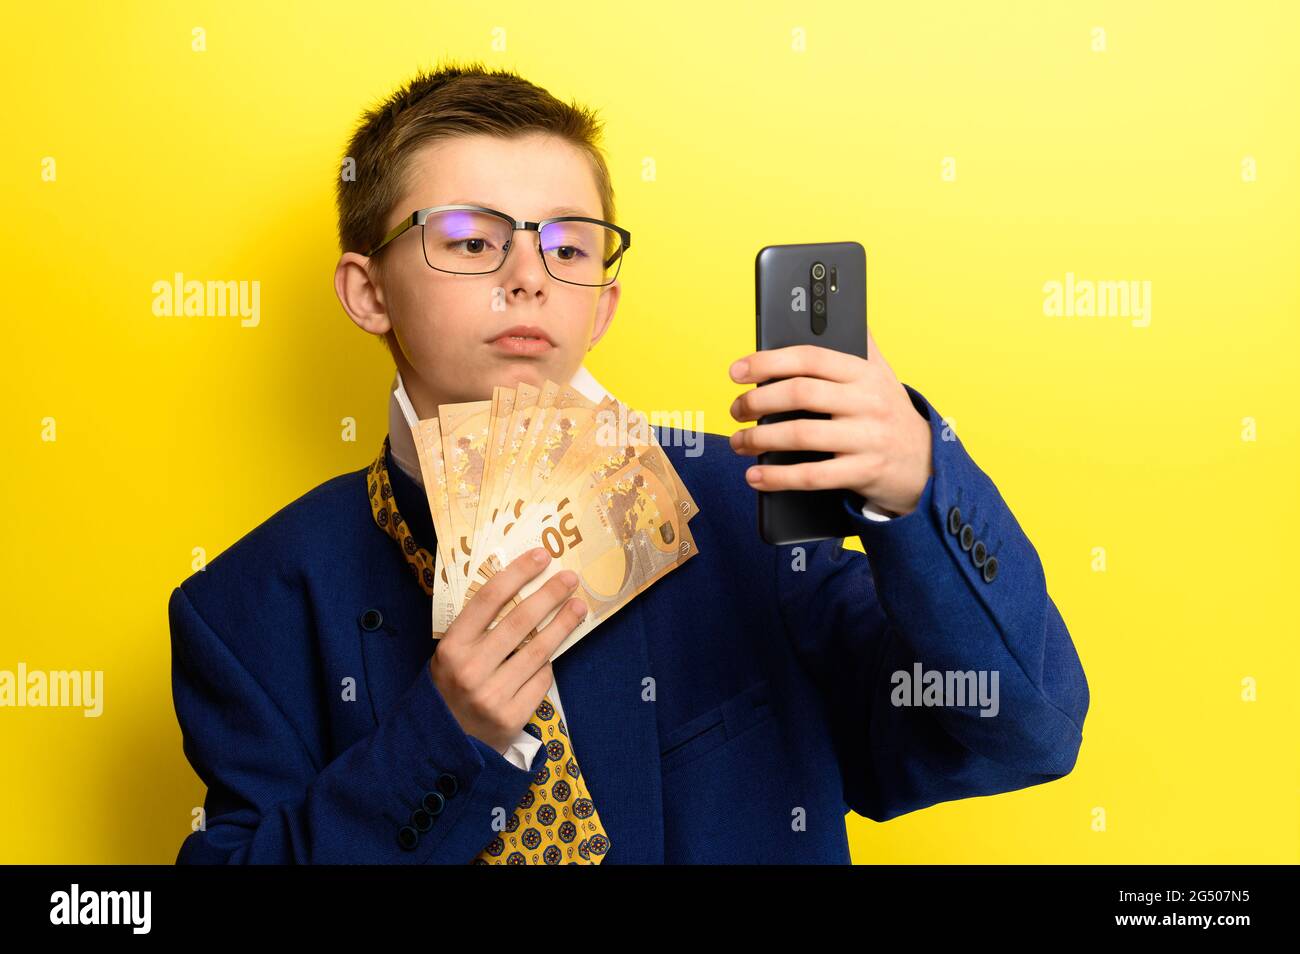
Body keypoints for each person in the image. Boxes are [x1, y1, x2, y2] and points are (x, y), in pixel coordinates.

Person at [168, 60, 1089, 864]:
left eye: (568, 245)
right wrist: (441, 741)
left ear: (601, 306)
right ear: (369, 291)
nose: (529, 273)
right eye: (470, 239)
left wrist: (917, 493)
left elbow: (1023, 734)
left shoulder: (744, 510)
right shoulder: (246, 611)